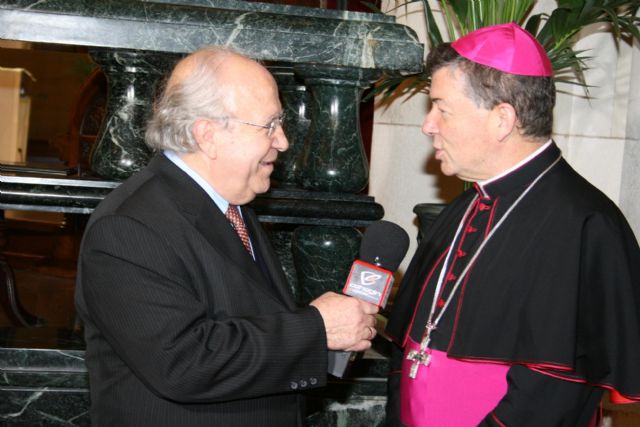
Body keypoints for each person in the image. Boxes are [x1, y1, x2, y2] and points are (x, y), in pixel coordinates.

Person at [74, 46, 379, 426]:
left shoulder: (233, 207)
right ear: (208, 135)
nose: (282, 141)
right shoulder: (128, 226)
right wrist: (316, 327)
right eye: (269, 125)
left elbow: (246, 320)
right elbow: (183, 362)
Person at [385, 23, 640, 426]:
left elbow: (554, 393)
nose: (428, 124)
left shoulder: (585, 225)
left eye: (442, 108)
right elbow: (410, 346)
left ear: (502, 119)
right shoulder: (463, 208)